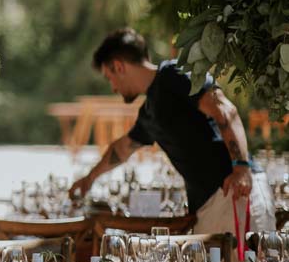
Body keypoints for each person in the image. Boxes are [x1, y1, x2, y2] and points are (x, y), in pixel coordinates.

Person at [69, 28, 275, 235]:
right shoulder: (149, 111)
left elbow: (225, 110)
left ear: (118, 66)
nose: (112, 87)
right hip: (210, 207)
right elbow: (122, 149)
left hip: (237, 193)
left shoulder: (174, 73)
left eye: (109, 77)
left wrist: (241, 167)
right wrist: (89, 178)